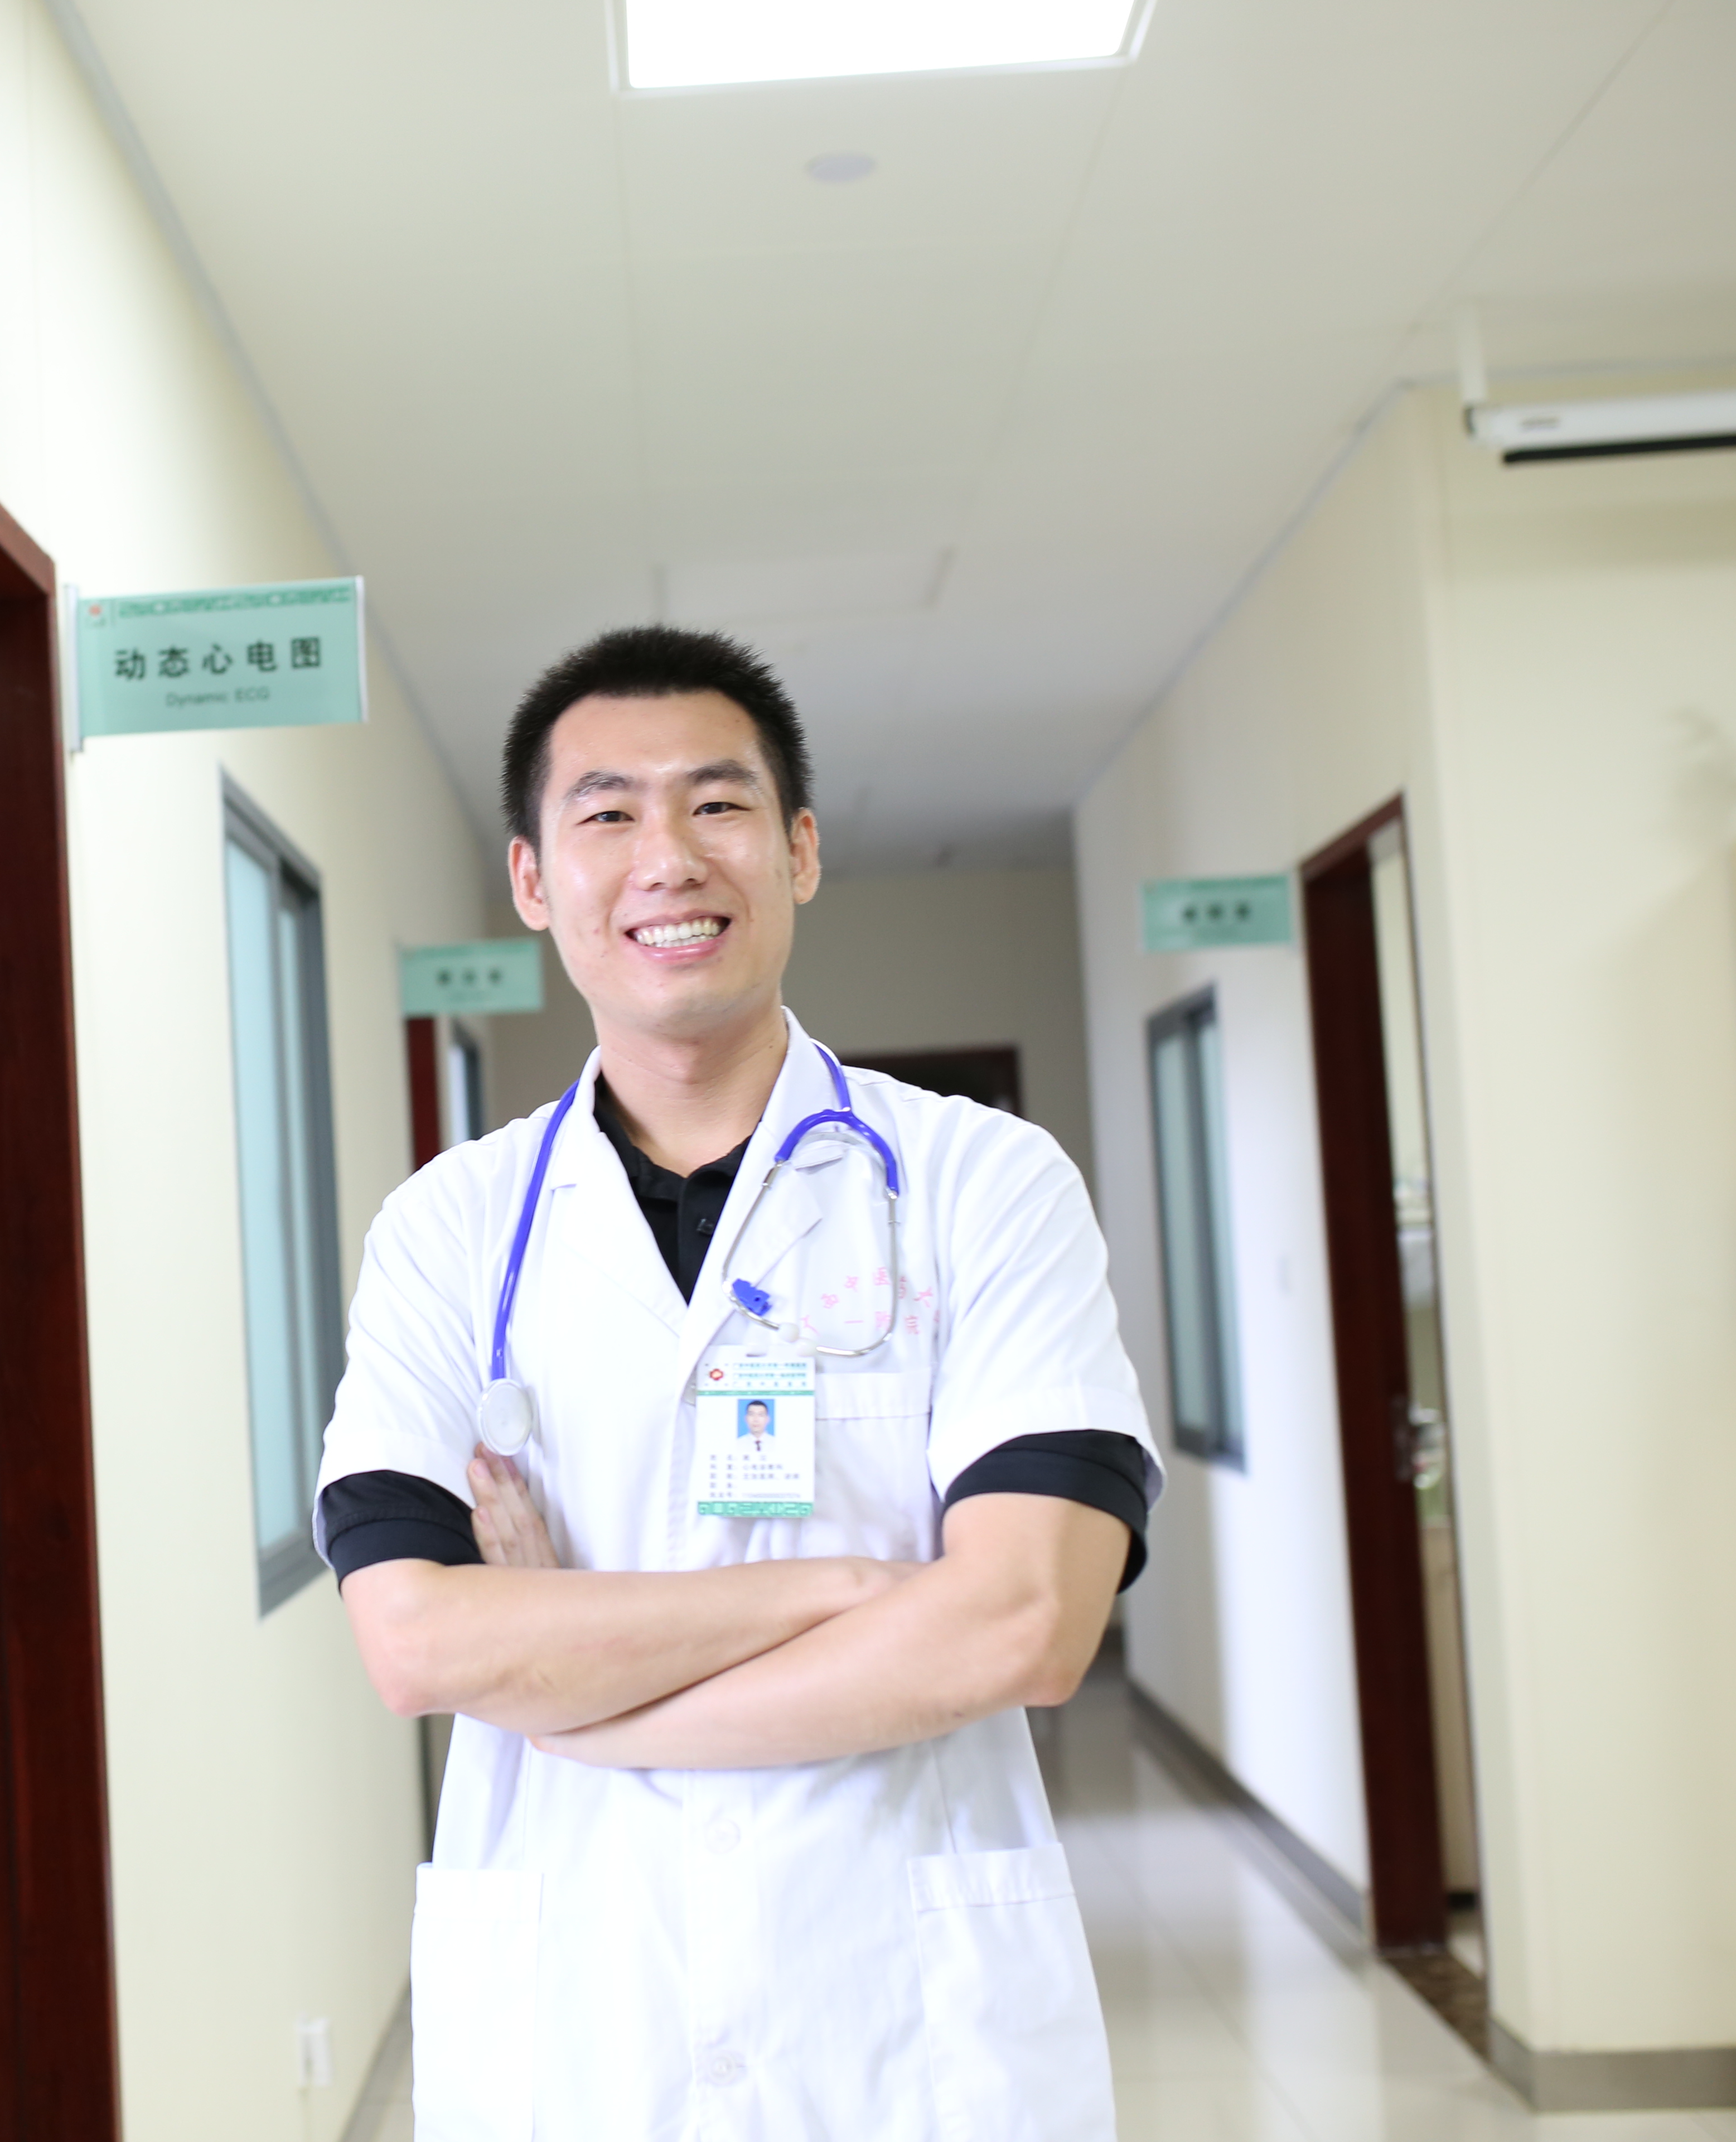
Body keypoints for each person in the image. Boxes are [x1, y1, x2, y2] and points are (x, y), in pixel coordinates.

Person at [314, 625, 1158, 2139]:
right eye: (608, 813)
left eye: (717, 804)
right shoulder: (449, 1231)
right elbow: (420, 1643)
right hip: (582, 2026)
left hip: (904, 2025)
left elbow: (1027, 1624)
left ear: (801, 850)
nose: (669, 858)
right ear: (532, 880)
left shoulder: (982, 1182)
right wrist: (852, 1588)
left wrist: (580, 1700)